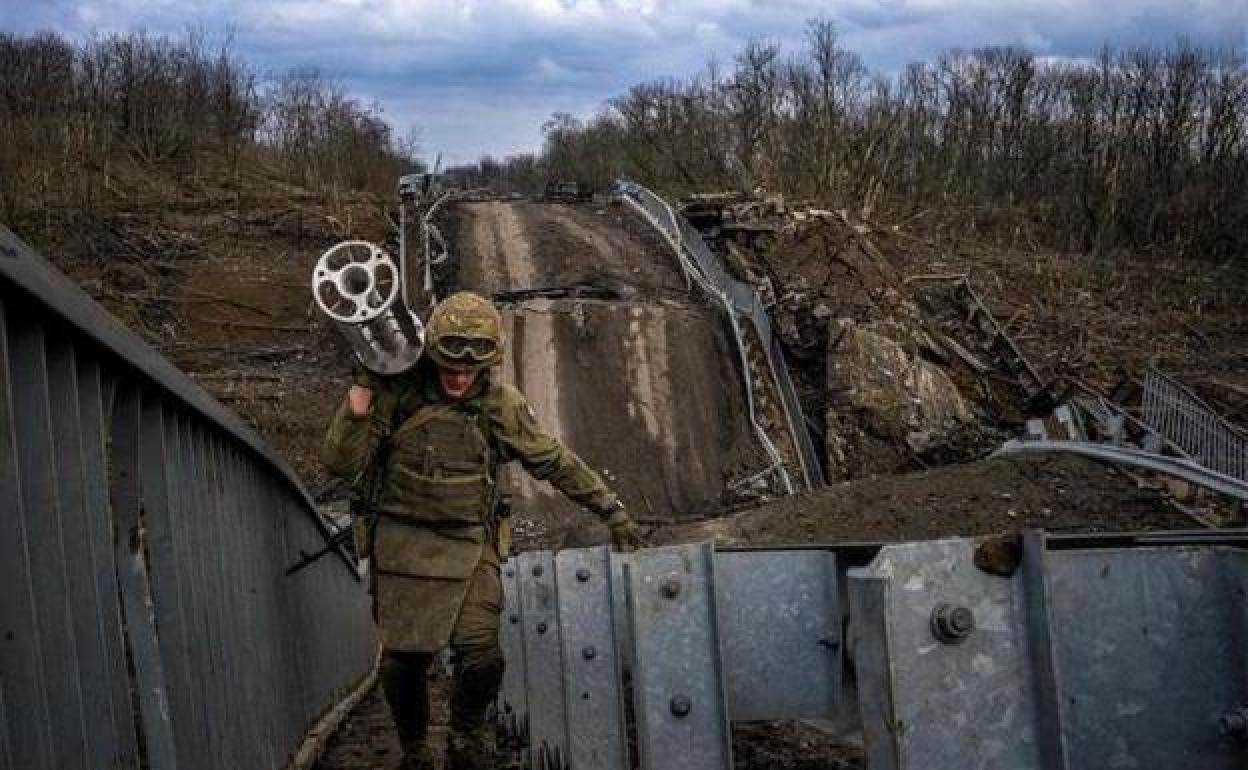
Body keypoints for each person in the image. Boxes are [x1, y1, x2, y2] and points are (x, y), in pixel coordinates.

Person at [321, 291, 643, 770]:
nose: (458, 374)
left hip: (471, 544)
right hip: (402, 545)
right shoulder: (397, 393)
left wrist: (610, 508)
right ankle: (414, 751)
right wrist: (360, 401)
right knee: (403, 662)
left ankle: (466, 735)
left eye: (470, 366)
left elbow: (551, 460)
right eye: (450, 363)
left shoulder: (498, 403)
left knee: (482, 655)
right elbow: (341, 464)